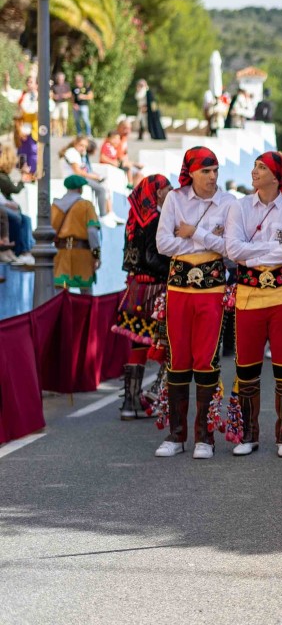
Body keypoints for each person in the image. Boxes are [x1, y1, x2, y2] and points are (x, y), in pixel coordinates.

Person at [154, 147, 237, 459]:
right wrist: (204, 242)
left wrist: (194, 233)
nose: (212, 176)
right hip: (178, 289)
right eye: (206, 171)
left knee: (207, 360)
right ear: (190, 173)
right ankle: (176, 435)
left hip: (212, 290)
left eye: (215, 170)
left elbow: (229, 249)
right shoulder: (175, 199)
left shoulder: (228, 202)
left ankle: (205, 436)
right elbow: (163, 243)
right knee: (177, 360)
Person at [224, 152, 282, 459]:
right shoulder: (239, 206)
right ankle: (248, 434)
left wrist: (253, 254)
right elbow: (232, 249)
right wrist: (270, 251)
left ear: (276, 176)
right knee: (246, 367)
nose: (254, 171)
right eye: (255, 166)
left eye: (262, 167)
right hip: (248, 294)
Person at [112, 175, 173, 420]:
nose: (171, 192)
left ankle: (131, 402)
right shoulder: (155, 219)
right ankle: (157, 393)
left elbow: (131, 259)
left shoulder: (133, 219)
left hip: (136, 288)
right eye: (168, 188)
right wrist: (174, 267)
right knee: (169, 342)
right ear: (158, 193)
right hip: (155, 291)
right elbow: (151, 257)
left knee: (138, 344)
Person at [51, 174, 101, 293]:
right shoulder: (86, 205)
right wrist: (96, 256)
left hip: (61, 254)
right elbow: (92, 233)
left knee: (61, 291)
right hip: (82, 255)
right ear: (80, 189)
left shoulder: (55, 207)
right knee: (85, 294)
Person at [59, 135, 119, 226]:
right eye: (81, 145)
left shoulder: (76, 153)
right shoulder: (72, 153)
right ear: (75, 144)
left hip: (77, 178)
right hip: (73, 179)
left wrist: (95, 176)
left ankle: (109, 213)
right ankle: (103, 215)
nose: (83, 148)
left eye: (85, 146)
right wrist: (94, 177)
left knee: (104, 186)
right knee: (101, 189)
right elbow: (78, 171)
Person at [0, 145, 34, 266]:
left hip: (5, 205)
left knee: (24, 219)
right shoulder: (2, 177)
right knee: (16, 217)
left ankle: (26, 250)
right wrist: (22, 179)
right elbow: (13, 189)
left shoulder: (4, 176)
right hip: (4, 207)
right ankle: (19, 250)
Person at [50, 72, 71, 138]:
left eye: (61, 79)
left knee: (64, 118)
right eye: (59, 79)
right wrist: (54, 96)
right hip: (56, 103)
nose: (60, 80)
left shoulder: (66, 85)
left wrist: (65, 95)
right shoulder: (54, 85)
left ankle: (64, 132)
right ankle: (53, 132)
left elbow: (70, 94)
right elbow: (51, 94)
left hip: (64, 103)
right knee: (54, 117)